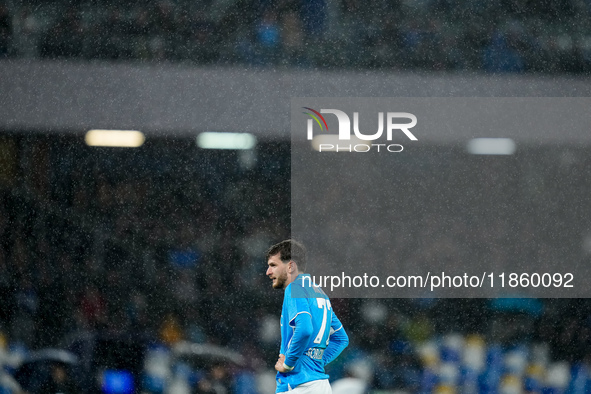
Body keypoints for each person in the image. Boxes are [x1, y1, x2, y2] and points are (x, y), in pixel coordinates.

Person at [265, 239, 349, 393]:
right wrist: (315, 361)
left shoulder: (294, 288)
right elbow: (341, 338)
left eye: (273, 265)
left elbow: (304, 329)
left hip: (298, 385)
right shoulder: (320, 294)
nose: (268, 272)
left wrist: (288, 364)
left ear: (290, 266)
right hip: (320, 385)